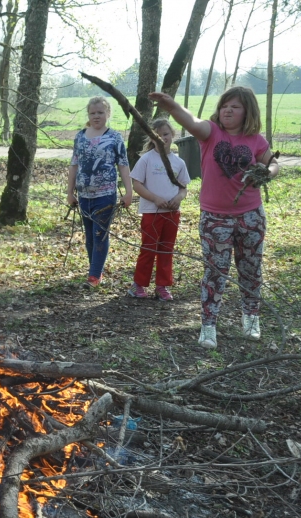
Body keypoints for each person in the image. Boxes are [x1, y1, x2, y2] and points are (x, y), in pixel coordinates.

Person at [150, 86, 278, 349]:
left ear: (248, 112)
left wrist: (268, 171)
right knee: (215, 273)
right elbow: (191, 120)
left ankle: (251, 317)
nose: (228, 110)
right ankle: (208, 325)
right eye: (224, 105)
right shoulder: (210, 132)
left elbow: (273, 163)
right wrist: (171, 106)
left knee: (251, 269)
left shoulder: (256, 140)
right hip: (215, 218)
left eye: (236, 106)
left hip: (251, 216)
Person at [66, 96, 133, 287]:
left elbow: (123, 165)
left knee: (100, 234)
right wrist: (70, 192)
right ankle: (95, 272)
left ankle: (94, 276)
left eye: (100, 113)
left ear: (108, 114)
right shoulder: (80, 136)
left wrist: (129, 192)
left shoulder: (114, 137)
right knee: (90, 237)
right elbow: (73, 165)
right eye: (93, 113)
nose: (96, 116)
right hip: (84, 196)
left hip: (105, 196)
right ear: (88, 114)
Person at [128, 118, 190, 301]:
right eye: (158, 135)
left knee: (166, 249)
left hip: (171, 214)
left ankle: (162, 287)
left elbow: (184, 188)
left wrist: (178, 198)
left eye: (166, 134)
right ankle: (138, 285)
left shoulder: (179, 162)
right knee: (148, 248)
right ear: (151, 138)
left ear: (172, 135)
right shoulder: (146, 159)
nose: (163, 138)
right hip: (151, 213)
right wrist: (155, 198)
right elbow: (136, 184)